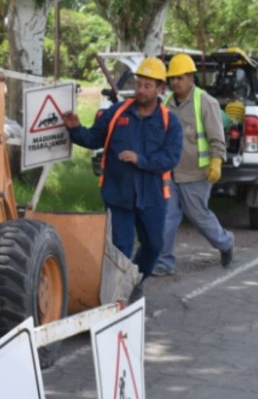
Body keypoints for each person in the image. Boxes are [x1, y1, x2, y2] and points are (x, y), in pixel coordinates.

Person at [63, 56, 182, 281]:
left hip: (152, 197)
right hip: (118, 194)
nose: (141, 90)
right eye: (138, 84)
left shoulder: (169, 122)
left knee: (154, 246)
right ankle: (119, 296)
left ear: (160, 88)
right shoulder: (117, 113)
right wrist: (76, 129)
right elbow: (94, 139)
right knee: (121, 248)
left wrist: (141, 160)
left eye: (147, 86)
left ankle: (134, 281)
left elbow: (170, 158)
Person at [151, 53, 234, 277]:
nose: (175, 82)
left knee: (199, 217)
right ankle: (164, 262)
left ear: (190, 78)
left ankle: (225, 243)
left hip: (197, 173)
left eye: (180, 78)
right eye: (172, 78)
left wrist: (216, 162)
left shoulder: (206, 102)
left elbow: (217, 138)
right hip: (171, 173)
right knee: (167, 218)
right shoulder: (167, 103)